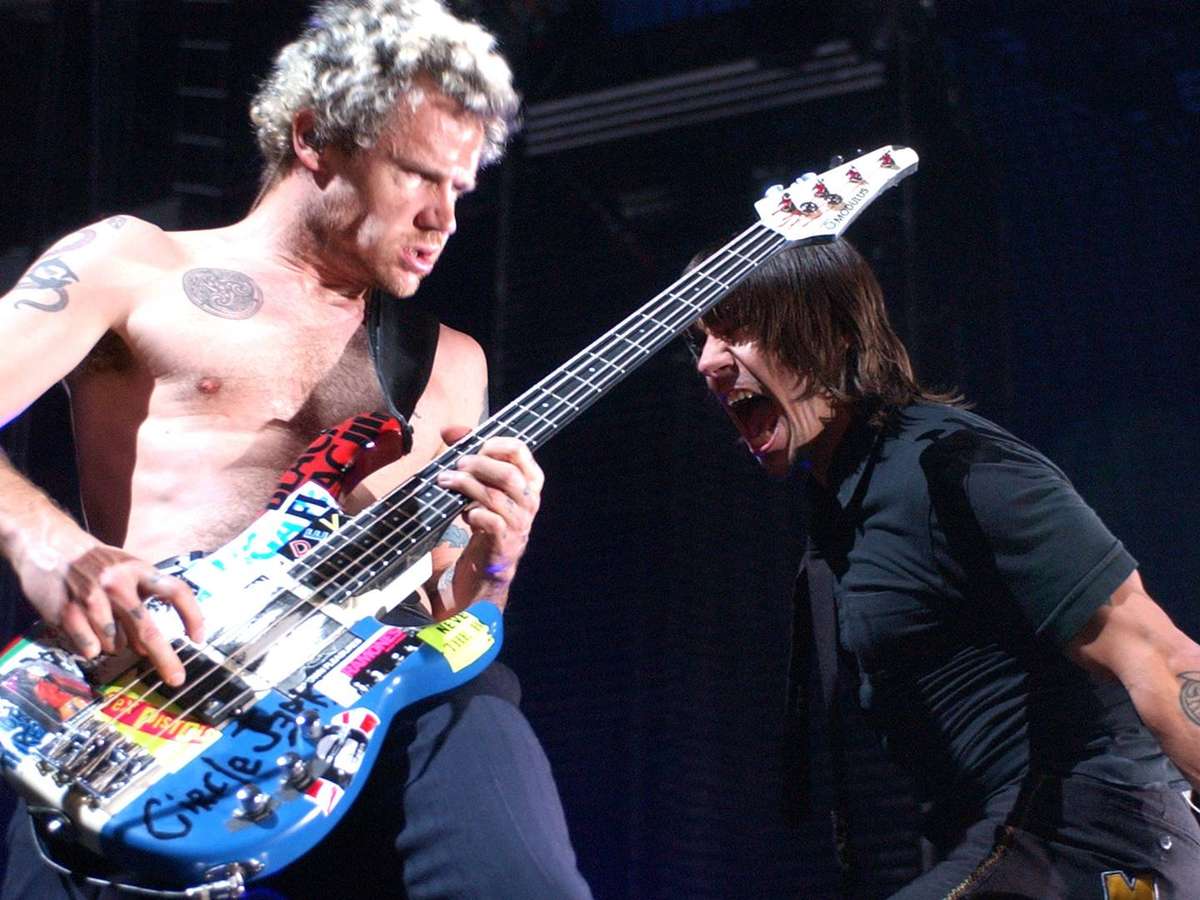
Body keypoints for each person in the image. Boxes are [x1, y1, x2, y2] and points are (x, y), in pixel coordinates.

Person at [0, 1, 592, 897]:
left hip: (364, 715)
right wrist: (51, 545)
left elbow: (443, 613)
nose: (444, 219)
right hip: (148, 702)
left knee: (503, 805)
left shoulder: (448, 362)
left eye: (460, 191)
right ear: (314, 137)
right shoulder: (134, 265)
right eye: (416, 175)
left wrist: (494, 567)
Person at [690, 237, 1200, 896]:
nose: (707, 361)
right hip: (1009, 845)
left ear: (832, 334)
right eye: (704, 337)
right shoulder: (841, 514)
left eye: (738, 332)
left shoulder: (954, 466)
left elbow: (1160, 656)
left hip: (1101, 837)